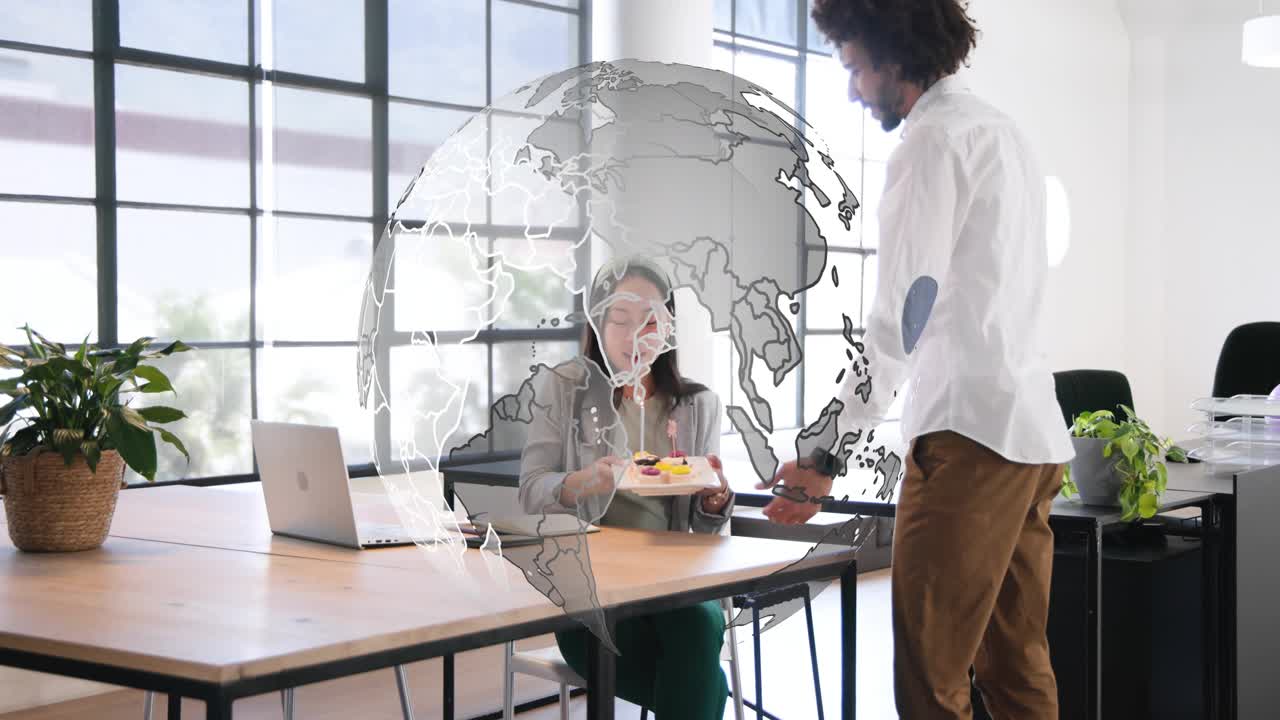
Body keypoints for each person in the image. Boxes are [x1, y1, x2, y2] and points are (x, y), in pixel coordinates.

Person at [761, 1, 1075, 717]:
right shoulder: (1003, 132)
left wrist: (823, 453)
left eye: (853, 66)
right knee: (1019, 667)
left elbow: (900, 322)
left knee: (931, 679)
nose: (851, 87)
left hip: (969, 443)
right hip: (1030, 435)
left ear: (891, 55)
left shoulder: (931, 142)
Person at [518, 256, 735, 719]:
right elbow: (532, 489)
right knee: (703, 679)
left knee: (697, 623)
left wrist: (715, 502)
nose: (635, 334)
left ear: (669, 327)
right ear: (598, 323)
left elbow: (704, 526)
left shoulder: (698, 405)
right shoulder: (563, 389)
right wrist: (579, 482)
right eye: (619, 320)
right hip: (592, 595)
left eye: (651, 320)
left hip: (673, 585)